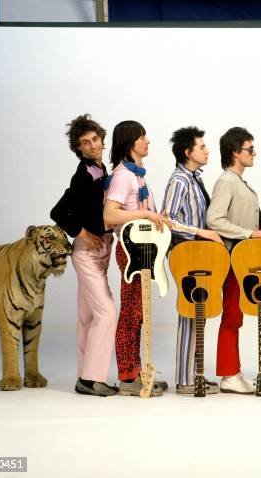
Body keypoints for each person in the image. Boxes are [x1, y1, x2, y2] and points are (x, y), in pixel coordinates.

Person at [50, 114, 118, 397]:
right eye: (85, 143)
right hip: (86, 254)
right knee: (107, 312)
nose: (92, 145)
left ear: (102, 139)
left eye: (95, 139)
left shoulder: (102, 170)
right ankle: (93, 378)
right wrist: (80, 232)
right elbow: (58, 212)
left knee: (87, 316)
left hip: (103, 250)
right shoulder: (84, 174)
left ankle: (82, 376)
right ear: (78, 149)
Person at [103, 120, 169, 397]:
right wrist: (144, 214)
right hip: (130, 249)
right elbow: (110, 215)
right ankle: (127, 377)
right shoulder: (123, 176)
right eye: (143, 137)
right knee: (131, 313)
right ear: (131, 142)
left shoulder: (137, 175)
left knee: (139, 313)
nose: (148, 141)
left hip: (144, 248)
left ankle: (139, 372)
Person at [206, 126, 261, 394]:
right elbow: (214, 220)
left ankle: (233, 370)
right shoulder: (227, 181)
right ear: (235, 152)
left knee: (236, 314)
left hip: (244, 258)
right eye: (249, 149)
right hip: (233, 257)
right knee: (232, 313)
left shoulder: (239, 181)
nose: (254, 153)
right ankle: (228, 374)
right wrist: (250, 233)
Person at [161, 126, 223, 395]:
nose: (207, 150)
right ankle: (185, 380)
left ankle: (195, 374)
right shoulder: (180, 180)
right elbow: (167, 221)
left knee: (200, 311)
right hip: (187, 254)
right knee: (189, 312)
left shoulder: (194, 179)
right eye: (202, 146)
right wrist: (201, 231)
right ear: (188, 152)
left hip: (200, 254)